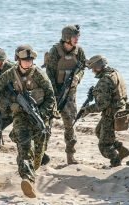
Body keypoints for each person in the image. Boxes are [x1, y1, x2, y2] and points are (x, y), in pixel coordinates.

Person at [0, 45, 55, 198]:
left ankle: (31, 171)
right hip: (20, 117)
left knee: (37, 157)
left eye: (30, 60)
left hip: (39, 118)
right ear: (18, 60)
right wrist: (9, 105)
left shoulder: (39, 75)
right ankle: (27, 180)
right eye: (24, 60)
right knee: (25, 149)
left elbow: (51, 97)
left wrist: (43, 113)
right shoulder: (10, 74)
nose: (27, 62)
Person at [45, 24, 86, 164]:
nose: (77, 39)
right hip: (54, 92)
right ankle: (41, 154)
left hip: (70, 94)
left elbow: (82, 67)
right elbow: (49, 73)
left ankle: (70, 155)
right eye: (75, 37)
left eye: (78, 36)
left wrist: (77, 78)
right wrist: (53, 94)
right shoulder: (54, 52)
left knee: (70, 124)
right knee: (46, 124)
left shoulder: (79, 51)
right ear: (67, 38)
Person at [81, 55, 129, 167]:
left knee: (104, 146)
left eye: (93, 68)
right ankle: (121, 149)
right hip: (119, 111)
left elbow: (102, 105)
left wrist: (87, 110)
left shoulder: (104, 80)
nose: (93, 71)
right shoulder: (115, 73)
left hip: (111, 115)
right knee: (99, 131)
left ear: (98, 67)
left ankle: (115, 161)